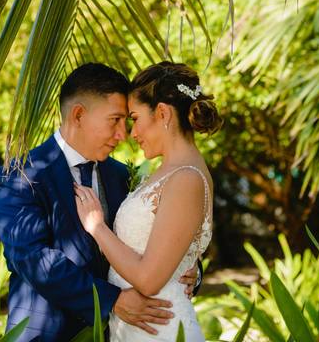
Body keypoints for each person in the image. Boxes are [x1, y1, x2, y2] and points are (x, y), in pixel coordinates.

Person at [0, 63, 199, 341]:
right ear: (78, 115)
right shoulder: (19, 176)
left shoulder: (122, 175)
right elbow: (33, 259)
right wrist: (112, 300)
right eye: (115, 120)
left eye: (127, 122)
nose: (123, 135)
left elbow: (153, 236)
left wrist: (187, 269)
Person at [75, 62, 220, 341]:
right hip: (136, 328)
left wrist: (97, 228)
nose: (132, 133)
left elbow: (149, 279)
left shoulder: (186, 178)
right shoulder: (169, 171)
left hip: (159, 329)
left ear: (162, 113)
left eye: (135, 118)